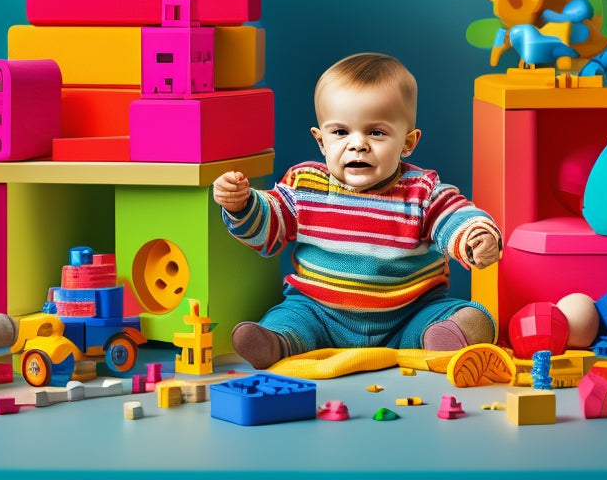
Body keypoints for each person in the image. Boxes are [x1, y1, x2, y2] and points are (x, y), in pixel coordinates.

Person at [212, 52, 503, 369]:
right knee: (288, 317)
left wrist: (475, 236)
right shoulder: (305, 186)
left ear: (407, 143)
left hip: (408, 315)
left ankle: (446, 337)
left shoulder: (421, 192)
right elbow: (269, 227)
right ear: (321, 141)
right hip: (320, 312)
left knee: (472, 316)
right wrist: (242, 204)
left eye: (376, 132)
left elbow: (455, 216)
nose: (357, 144)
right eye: (340, 132)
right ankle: (277, 342)